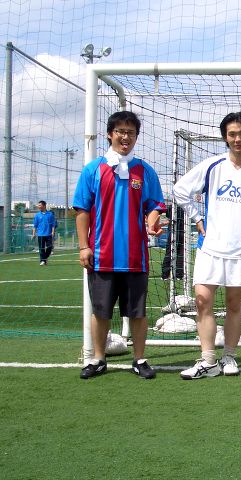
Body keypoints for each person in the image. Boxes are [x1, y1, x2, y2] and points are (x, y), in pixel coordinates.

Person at [173, 112, 241, 380]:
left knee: (234, 305)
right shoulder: (212, 166)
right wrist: (197, 217)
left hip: (240, 251)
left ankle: (229, 357)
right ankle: (208, 361)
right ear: (225, 137)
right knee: (203, 301)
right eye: (232, 134)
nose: (237, 139)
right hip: (209, 247)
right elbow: (180, 190)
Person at [73, 110, 166, 380]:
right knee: (100, 312)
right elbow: (82, 210)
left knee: (137, 312)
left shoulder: (144, 171)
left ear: (136, 136)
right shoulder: (93, 169)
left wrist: (152, 221)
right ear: (109, 134)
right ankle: (98, 358)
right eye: (121, 132)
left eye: (131, 133)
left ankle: (140, 359)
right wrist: (83, 246)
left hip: (136, 256)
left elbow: (155, 205)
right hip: (101, 255)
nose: (126, 137)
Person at [32, 200, 56, 265]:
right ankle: (42, 261)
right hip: (40, 234)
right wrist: (33, 234)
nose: (38, 206)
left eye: (40, 205)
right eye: (38, 205)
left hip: (48, 234)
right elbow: (35, 225)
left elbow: (53, 225)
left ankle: (44, 258)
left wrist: (53, 232)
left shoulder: (50, 214)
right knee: (41, 248)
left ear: (44, 206)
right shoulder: (37, 215)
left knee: (50, 247)